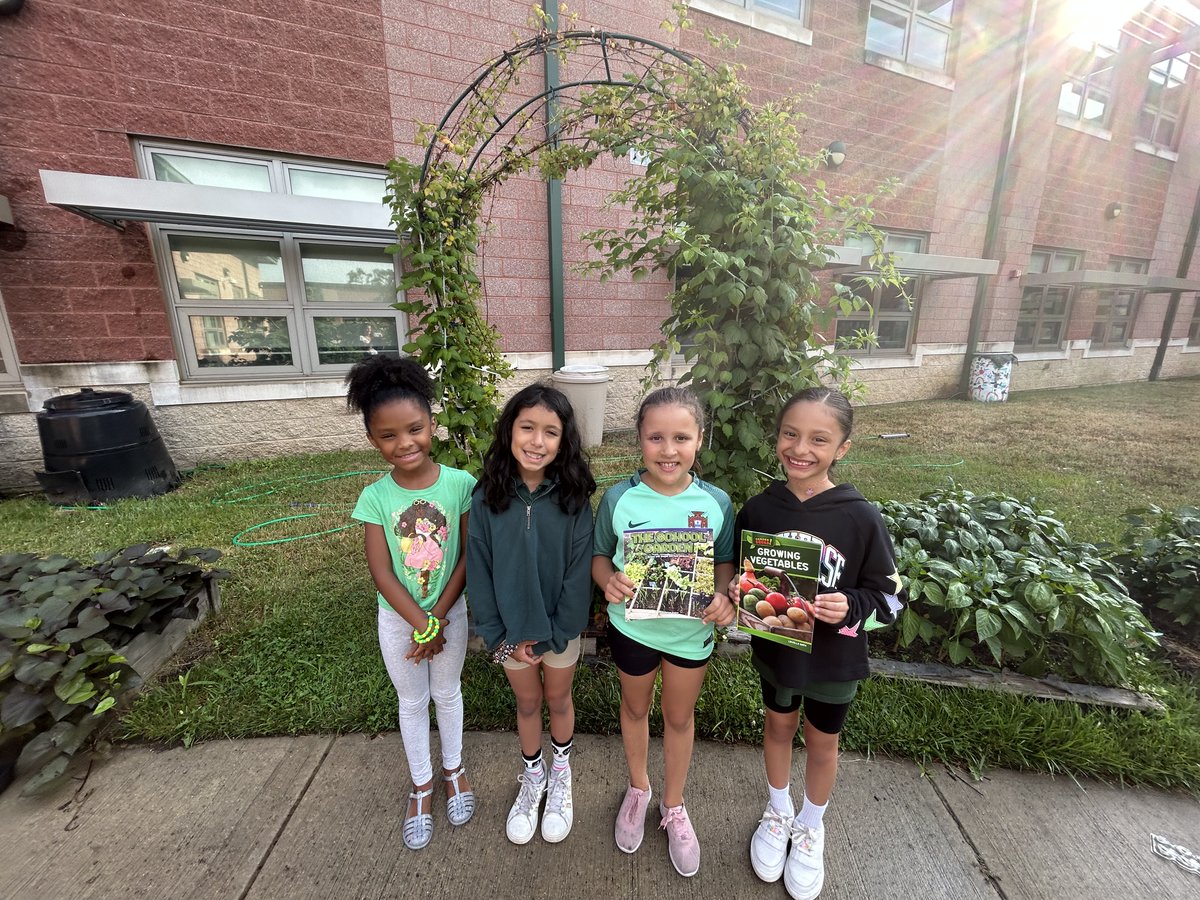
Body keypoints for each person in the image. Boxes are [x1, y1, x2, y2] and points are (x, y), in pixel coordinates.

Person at [733, 387, 904, 900]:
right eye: (790, 433)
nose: (800, 448)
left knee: (823, 742)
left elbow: (892, 600)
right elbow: (742, 578)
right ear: (777, 437)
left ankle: (811, 824)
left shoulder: (859, 517)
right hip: (779, 651)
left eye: (818, 439)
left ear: (842, 448)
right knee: (778, 726)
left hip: (834, 661)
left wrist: (851, 605)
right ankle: (779, 809)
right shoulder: (760, 510)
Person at [592, 386, 737, 878]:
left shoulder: (716, 502)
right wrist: (606, 580)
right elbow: (598, 556)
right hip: (633, 628)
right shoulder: (619, 498)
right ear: (639, 439)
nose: (668, 450)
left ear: (700, 440)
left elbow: (723, 561)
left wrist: (723, 595)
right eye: (656, 437)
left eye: (681, 437)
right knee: (635, 708)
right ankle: (639, 788)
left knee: (678, 718)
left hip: (689, 634)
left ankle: (673, 804)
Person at [347, 354, 477, 851]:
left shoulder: (460, 485)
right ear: (372, 439)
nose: (404, 443)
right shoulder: (375, 497)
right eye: (388, 436)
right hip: (399, 620)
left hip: (451, 613)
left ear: (433, 424)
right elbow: (381, 571)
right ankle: (421, 785)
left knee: (447, 694)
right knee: (412, 700)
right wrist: (420, 623)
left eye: (415, 429)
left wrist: (439, 618)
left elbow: (465, 556)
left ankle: (455, 771)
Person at [466, 383, 597, 845]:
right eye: (527, 427)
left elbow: (579, 577)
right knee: (527, 704)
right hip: (507, 635)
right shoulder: (485, 500)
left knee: (559, 700)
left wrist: (553, 637)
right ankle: (533, 776)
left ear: (564, 442)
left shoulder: (575, 500)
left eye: (550, 432)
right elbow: (478, 574)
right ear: (509, 431)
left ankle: (561, 775)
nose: (537, 441)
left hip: (559, 635)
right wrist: (501, 636)